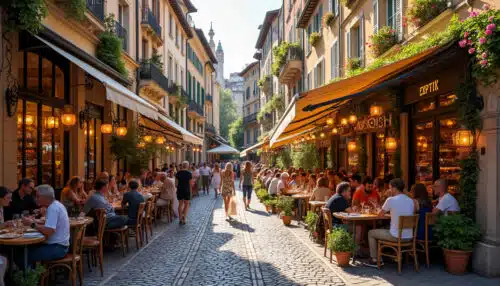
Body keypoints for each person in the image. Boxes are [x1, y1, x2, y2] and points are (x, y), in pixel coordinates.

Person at [366, 178, 415, 267]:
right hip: (409, 236)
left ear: (394, 188)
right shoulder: (411, 201)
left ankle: (375, 260)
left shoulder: (391, 200)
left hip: (396, 236)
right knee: (386, 228)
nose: (389, 190)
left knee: (371, 233)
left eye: (390, 188)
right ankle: (391, 256)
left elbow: (380, 215)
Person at [21, 185, 70, 267]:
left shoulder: (53, 208)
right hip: (62, 246)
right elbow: (50, 225)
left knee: (23, 255)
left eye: (38, 197)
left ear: (46, 197)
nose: (35, 199)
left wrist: (32, 224)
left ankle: (31, 278)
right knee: (26, 249)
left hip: (57, 248)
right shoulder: (57, 204)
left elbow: (49, 231)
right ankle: (34, 274)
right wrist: (34, 221)